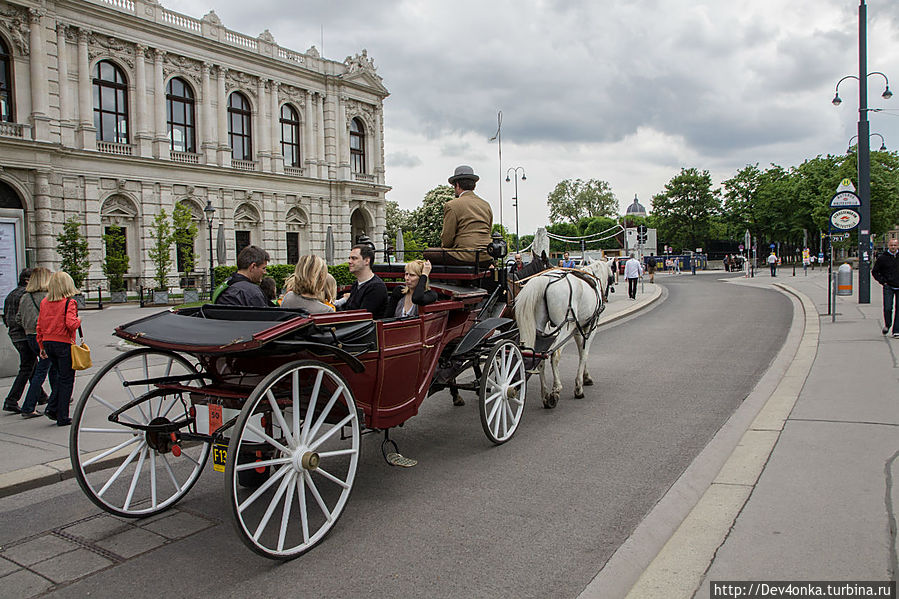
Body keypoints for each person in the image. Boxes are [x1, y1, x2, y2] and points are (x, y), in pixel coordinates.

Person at [423, 165, 493, 266]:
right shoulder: (486, 204)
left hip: (466, 256)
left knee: (428, 253)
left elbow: (447, 239)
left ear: (457, 185)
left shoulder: (452, 205)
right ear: (474, 185)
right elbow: (489, 230)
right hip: (487, 256)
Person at [36, 271, 81, 426]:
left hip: (48, 343)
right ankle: (62, 415)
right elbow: (71, 324)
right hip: (64, 343)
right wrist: (78, 320)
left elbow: (39, 326)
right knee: (67, 379)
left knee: (60, 378)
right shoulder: (70, 302)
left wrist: (41, 346)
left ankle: (53, 408)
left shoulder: (44, 302)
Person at [17, 267, 54, 417]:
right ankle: (29, 406)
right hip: (44, 337)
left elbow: (18, 318)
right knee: (42, 371)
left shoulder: (25, 297)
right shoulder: (46, 297)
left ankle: (53, 400)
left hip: (29, 336)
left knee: (45, 369)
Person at [3, 268, 38, 413]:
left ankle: (40, 395)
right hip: (24, 335)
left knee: (31, 365)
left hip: (14, 334)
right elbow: (23, 317)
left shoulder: (11, 293)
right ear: (27, 280)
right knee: (26, 367)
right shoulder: (25, 295)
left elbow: (6, 316)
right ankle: (11, 400)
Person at [335, 244, 388, 318]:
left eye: (354, 258)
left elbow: (362, 317)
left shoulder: (376, 287)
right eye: (349, 258)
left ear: (367, 261)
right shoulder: (356, 284)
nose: (349, 261)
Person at [872, 237, 899, 337]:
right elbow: (875, 271)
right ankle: (888, 324)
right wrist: (883, 282)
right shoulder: (882, 258)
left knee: (898, 309)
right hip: (888, 286)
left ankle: (896, 330)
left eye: (895, 245)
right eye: (891, 245)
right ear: (888, 246)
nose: (893, 247)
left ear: (898, 246)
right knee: (888, 307)